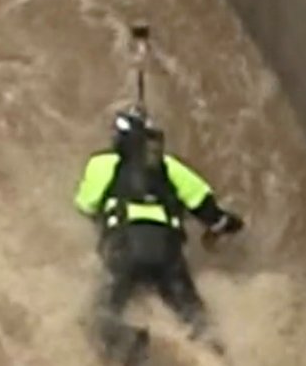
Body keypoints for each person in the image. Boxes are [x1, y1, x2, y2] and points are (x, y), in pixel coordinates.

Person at [74, 108, 244, 362]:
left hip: (125, 251)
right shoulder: (173, 167)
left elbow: (85, 205)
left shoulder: (102, 163)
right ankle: (219, 357)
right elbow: (213, 215)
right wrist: (227, 224)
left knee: (98, 318)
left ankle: (136, 347)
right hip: (168, 254)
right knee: (198, 322)